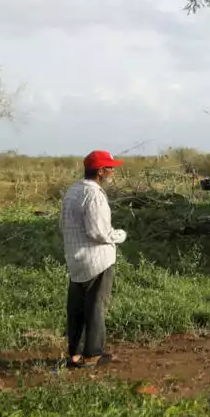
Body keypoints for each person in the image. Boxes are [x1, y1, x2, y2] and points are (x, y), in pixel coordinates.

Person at [60, 150, 127, 368]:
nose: (112, 171)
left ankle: (75, 354)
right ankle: (92, 355)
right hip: (97, 260)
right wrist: (119, 236)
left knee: (77, 309)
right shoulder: (95, 194)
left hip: (76, 258)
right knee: (96, 308)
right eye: (110, 168)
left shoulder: (73, 190)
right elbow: (98, 232)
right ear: (100, 171)